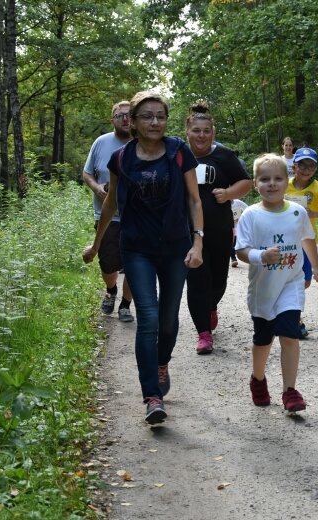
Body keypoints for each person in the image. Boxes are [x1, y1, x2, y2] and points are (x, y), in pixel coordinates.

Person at [82, 91, 203, 424]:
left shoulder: (179, 152)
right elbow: (111, 204)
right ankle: (151, 394)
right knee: (147, 318)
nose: (154, 122)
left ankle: (161, 361)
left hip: (176, 247)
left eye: (160, 116)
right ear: (133, 121)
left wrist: (198, 242)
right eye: (147, 116)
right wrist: (95, 245)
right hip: (137, 248)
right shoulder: (121, 159)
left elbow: (195, 201)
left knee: (168, 319)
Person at [236, 154, 318, 412]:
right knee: (263, 340)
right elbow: (241, 251)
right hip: (263, 289)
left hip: (290, 283)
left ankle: (290, 391)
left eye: (277, 179)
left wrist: (315, 266)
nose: (271, 184)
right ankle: (258, 379)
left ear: (287, 182)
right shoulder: (250, 215)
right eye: (265, 179)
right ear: (255, 184)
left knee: (289, 335)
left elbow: (307, 238)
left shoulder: (298, 212)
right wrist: (260, 256)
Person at [184, 101, 252, 355]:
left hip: (220, 229)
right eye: (196, 131)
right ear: (187, 132)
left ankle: (211, 305)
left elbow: (246, 182)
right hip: (188, 231)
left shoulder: (223, 155)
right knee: (196, 279)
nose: (201, 135)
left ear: (212, 132)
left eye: (206, 131)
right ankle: (203, 332)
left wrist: (228, 193)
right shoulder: (178, 155)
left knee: (218, 281)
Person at [81, 101, 135, 322]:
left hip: (137, 217)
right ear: (112, 119)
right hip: (106, 216)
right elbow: (87, 173)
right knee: (108, 263)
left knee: (134, 263)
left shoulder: (143, 143)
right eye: (119, 115)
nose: (125, 119)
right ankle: (111, 290)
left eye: (129, 115)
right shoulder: (101, 143)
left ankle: (125, 304)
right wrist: (96, 188)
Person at [285, 146, 318, 338]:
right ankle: (294, 320)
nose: (306, 169)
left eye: (311, 166)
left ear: (315, 169)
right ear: (294, 166)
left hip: (306, 241)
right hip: (284, 241)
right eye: (302, 165)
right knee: (289, 280)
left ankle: (289, 314)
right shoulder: (284, 184)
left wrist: (313, 213)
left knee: (305, 281)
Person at [230, 198, 248, 268]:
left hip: (238, 227)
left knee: (236, 242)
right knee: (230, 242)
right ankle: (233, 259)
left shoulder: (237, 202)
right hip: (228, 227)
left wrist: (241, 216)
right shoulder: (222, 204)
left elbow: (247, 209)